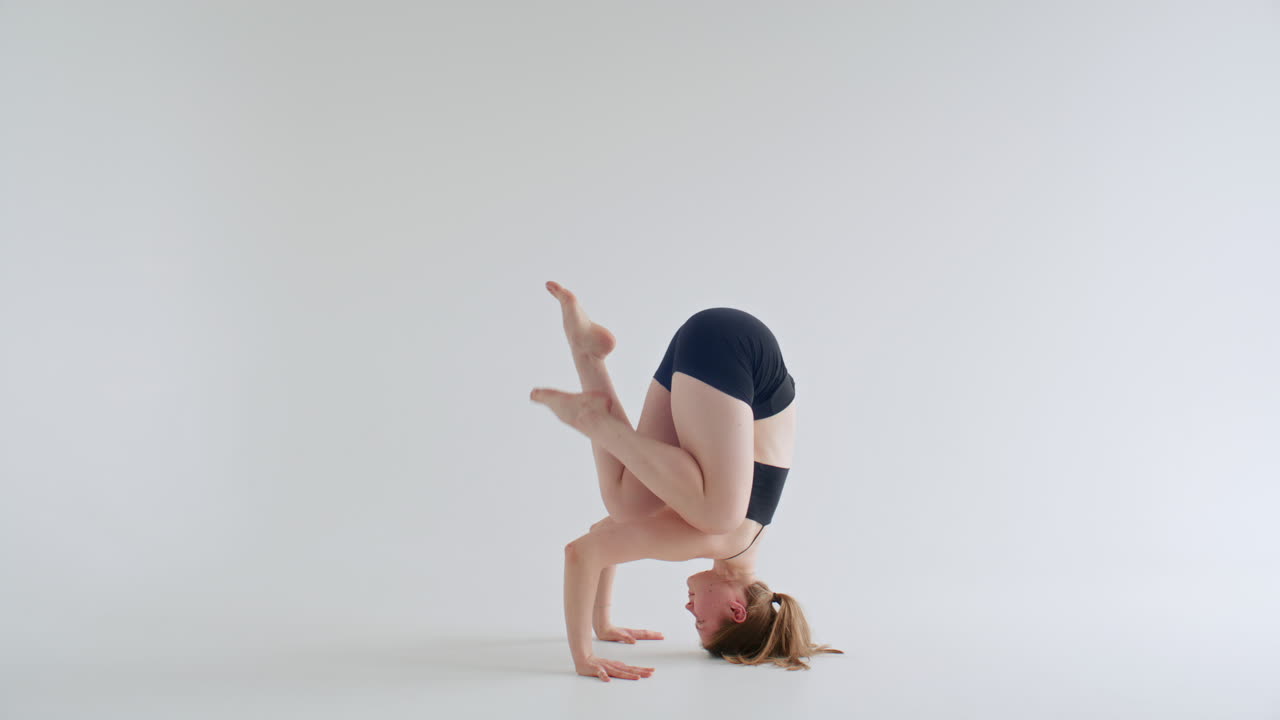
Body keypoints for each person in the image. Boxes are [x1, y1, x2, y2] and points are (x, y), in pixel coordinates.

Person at [530, 281, 842, 682]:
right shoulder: (723, 537)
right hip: (738, 353)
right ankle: (593, 421)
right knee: (719, 514)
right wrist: (583, 657)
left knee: (627, 504)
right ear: (737, 610)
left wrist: (603, 624)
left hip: (715, 349)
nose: (689, 611)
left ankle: (588, 354)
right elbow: (583, 553)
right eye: (702, 623)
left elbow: (605, 537)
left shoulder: (737, 538)